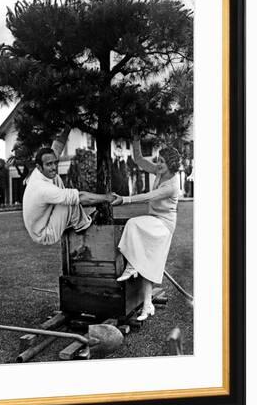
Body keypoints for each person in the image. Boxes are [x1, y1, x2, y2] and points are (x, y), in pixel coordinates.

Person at [113, 136, 181, 321]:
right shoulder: (160, 171)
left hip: (164, 224)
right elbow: (139, 159)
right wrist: (135, 137)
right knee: (149, 264)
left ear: (171, 165)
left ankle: (132, 265)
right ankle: (147, 305)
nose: (158, 164)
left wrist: (124, 199)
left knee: (133, 223)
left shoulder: (172, 185)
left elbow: (149, 196)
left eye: (162, 162)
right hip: (154, 219)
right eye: (158, 160)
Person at [22, 145, 115, 246]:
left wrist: (67, 129)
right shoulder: (43, 188)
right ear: (39, 167)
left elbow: (57, 146)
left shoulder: (38, 173)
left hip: (41, 224)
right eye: (49, 164)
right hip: (44, 234)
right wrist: (107, 198)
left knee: (57, 180)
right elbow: (80, 197)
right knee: (70, 199)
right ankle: (82, 225)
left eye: (55, 163)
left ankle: (76, 220)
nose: (54, 167)